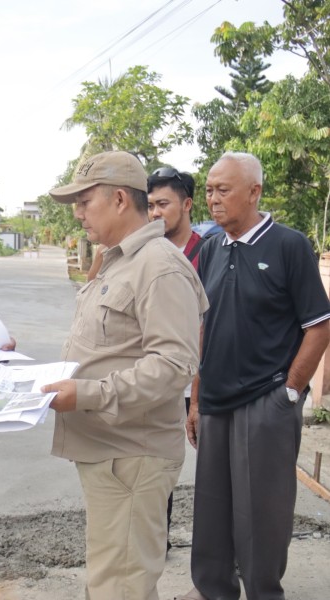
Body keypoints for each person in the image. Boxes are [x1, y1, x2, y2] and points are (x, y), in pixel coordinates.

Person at [41, 150, 209, 599]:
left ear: (118, 199)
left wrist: (88, 393)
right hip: (112, 455)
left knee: (121, 587)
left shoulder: (159, 267)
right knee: (115, 580)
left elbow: (175, 366)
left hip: (132, 458)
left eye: (83, 202)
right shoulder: (119, 260)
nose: (77, 215)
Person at [177, 152, 330, 600]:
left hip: (265, 400)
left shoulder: (288, 245)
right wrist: (196, 398)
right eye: (208, 189)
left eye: (223, 189)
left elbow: (318, 325)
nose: (212, 198)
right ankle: (214, 590)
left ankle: (263, 592)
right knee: (212, 509)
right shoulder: (209, 248)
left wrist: (291, 391)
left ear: (254, 192)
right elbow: (205, 327)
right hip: (216, 401)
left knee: (260, 514)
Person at [146, 166, 202, 551]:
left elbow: (206, 329)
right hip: (157, 381)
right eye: (149, 205)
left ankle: (221, 555)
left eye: (163, 204)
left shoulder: (208, 252)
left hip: (196, 382)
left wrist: (197, 399)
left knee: (211, 471)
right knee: (154, 467)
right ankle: (157, 543)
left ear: (186, 205)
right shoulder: (144, 252)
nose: (154, 213)